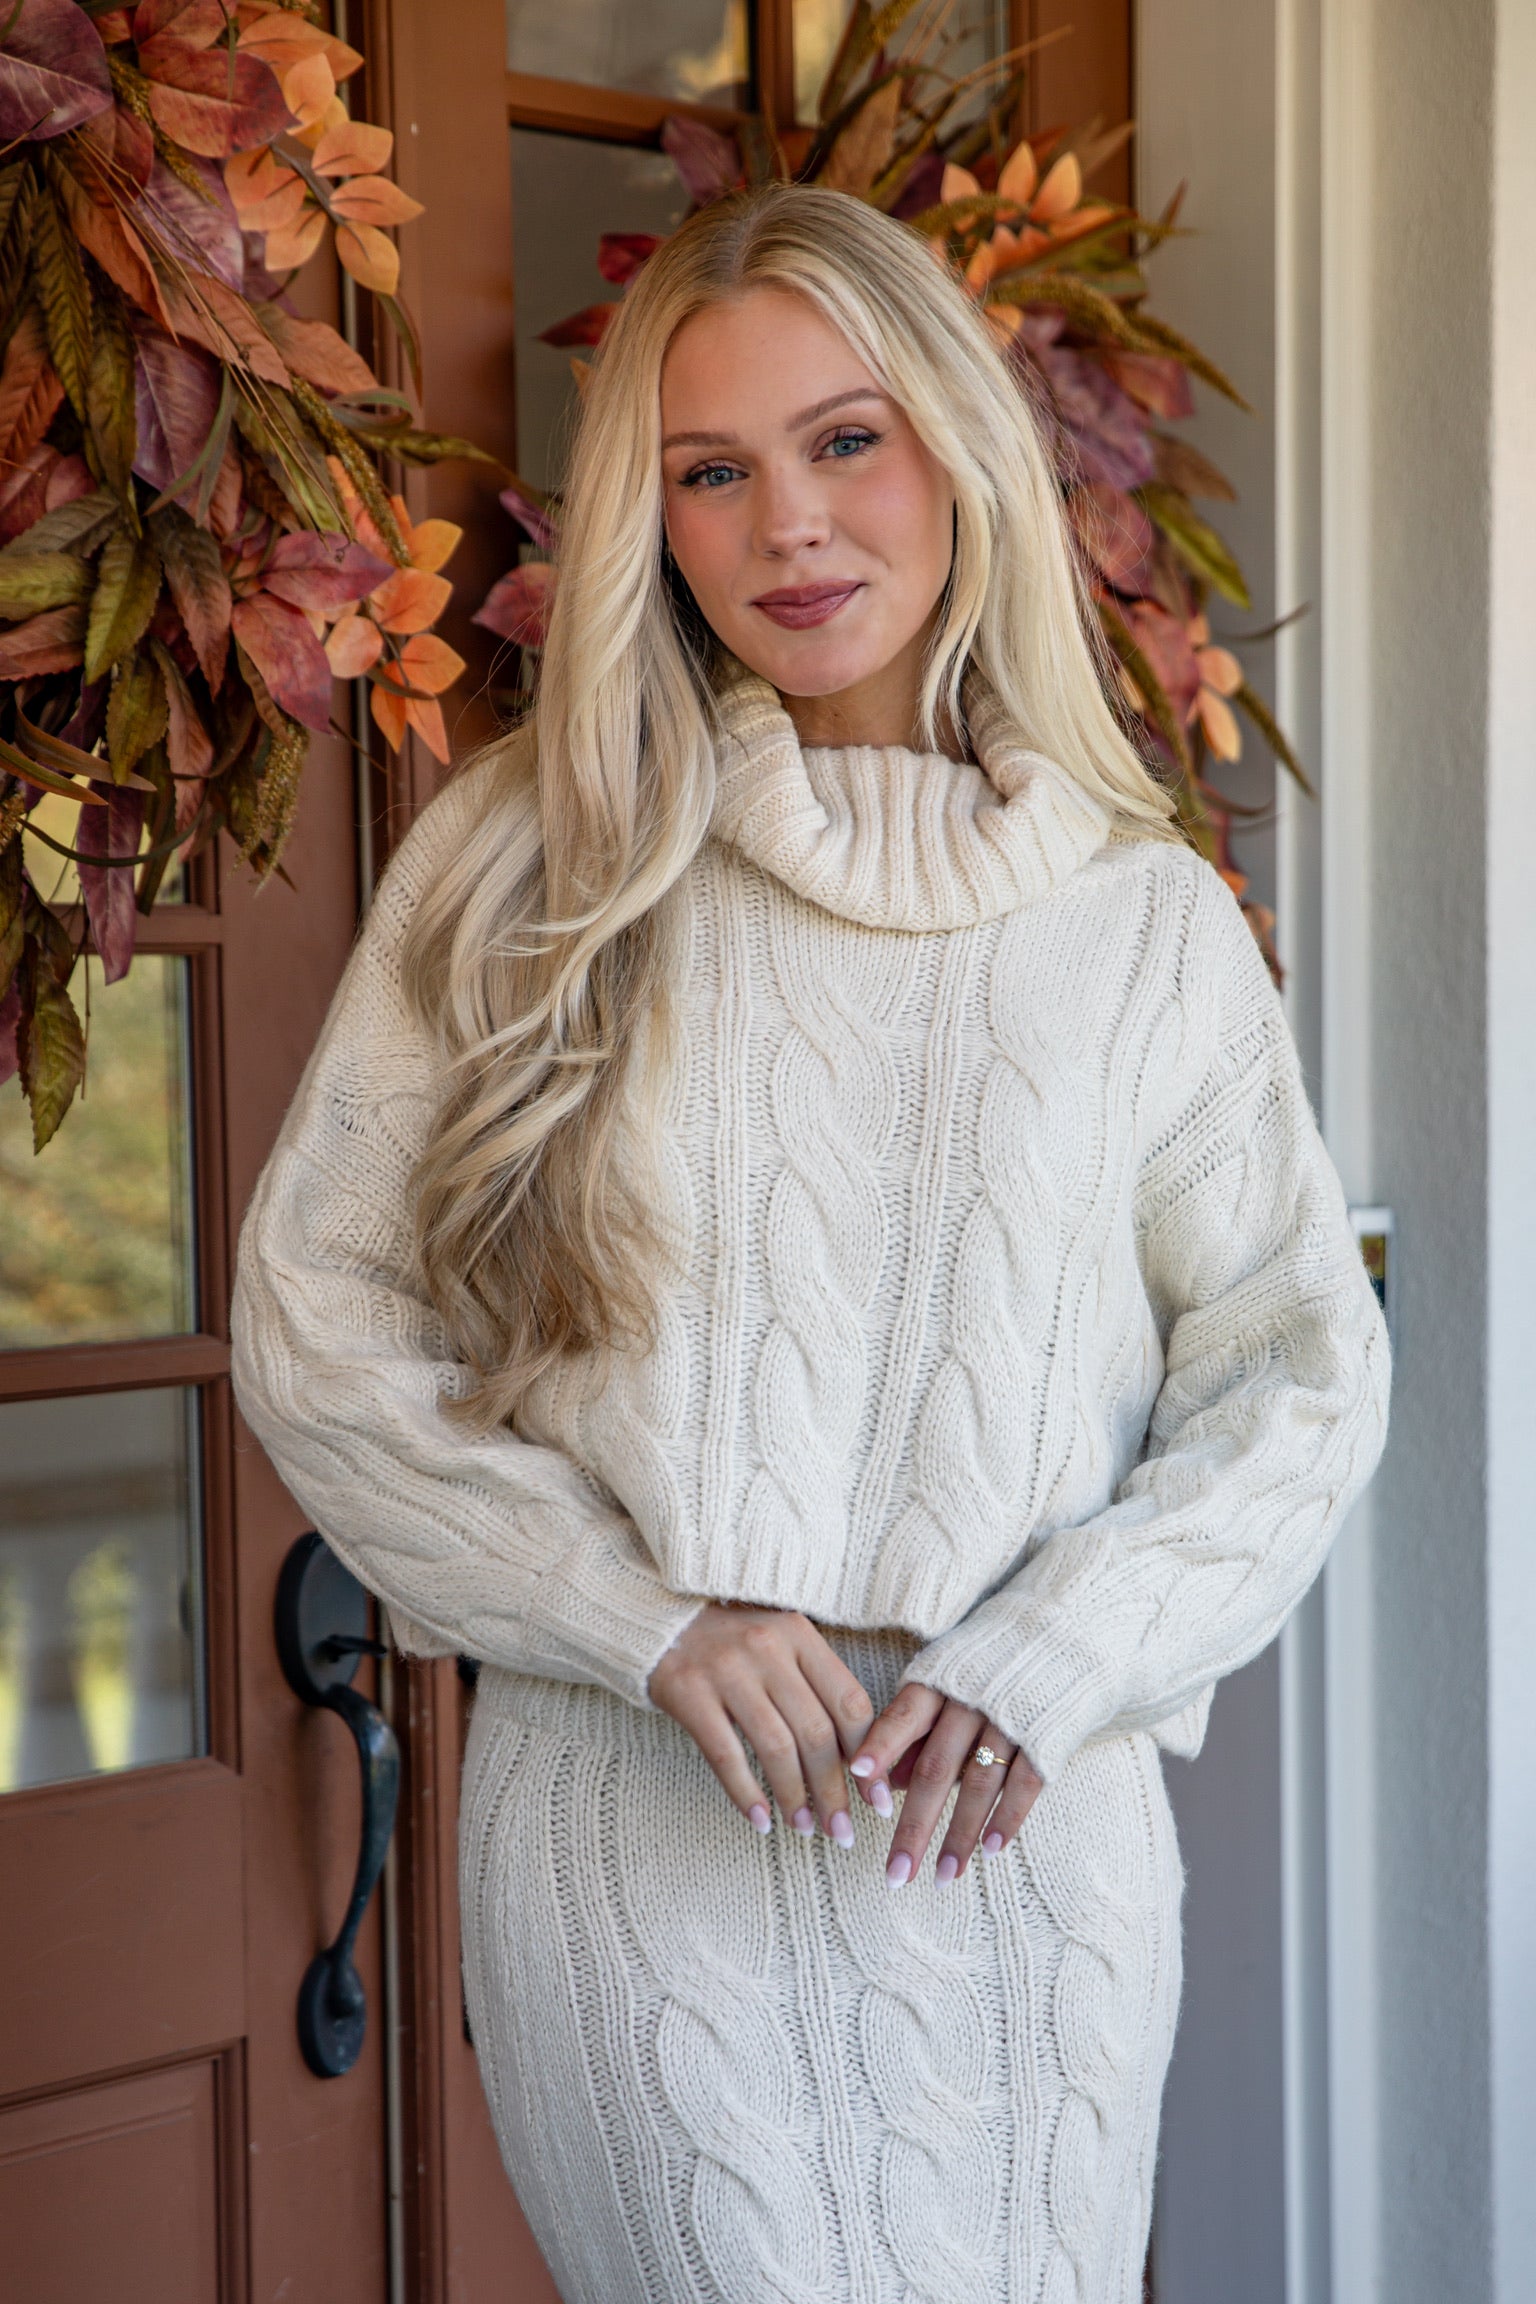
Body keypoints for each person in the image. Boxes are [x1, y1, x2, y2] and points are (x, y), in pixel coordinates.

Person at [232, 184, 1390, 2302]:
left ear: (955, 447)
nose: (791, 526)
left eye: (845, 440)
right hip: (651, 1836)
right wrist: (632, 1613)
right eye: (713, 471)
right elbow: (318, 1327)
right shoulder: (531, 859)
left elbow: (1296, 1369)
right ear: (650, 520)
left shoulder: (1138, 914)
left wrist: (1059, 1654)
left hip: (1030, 1851)